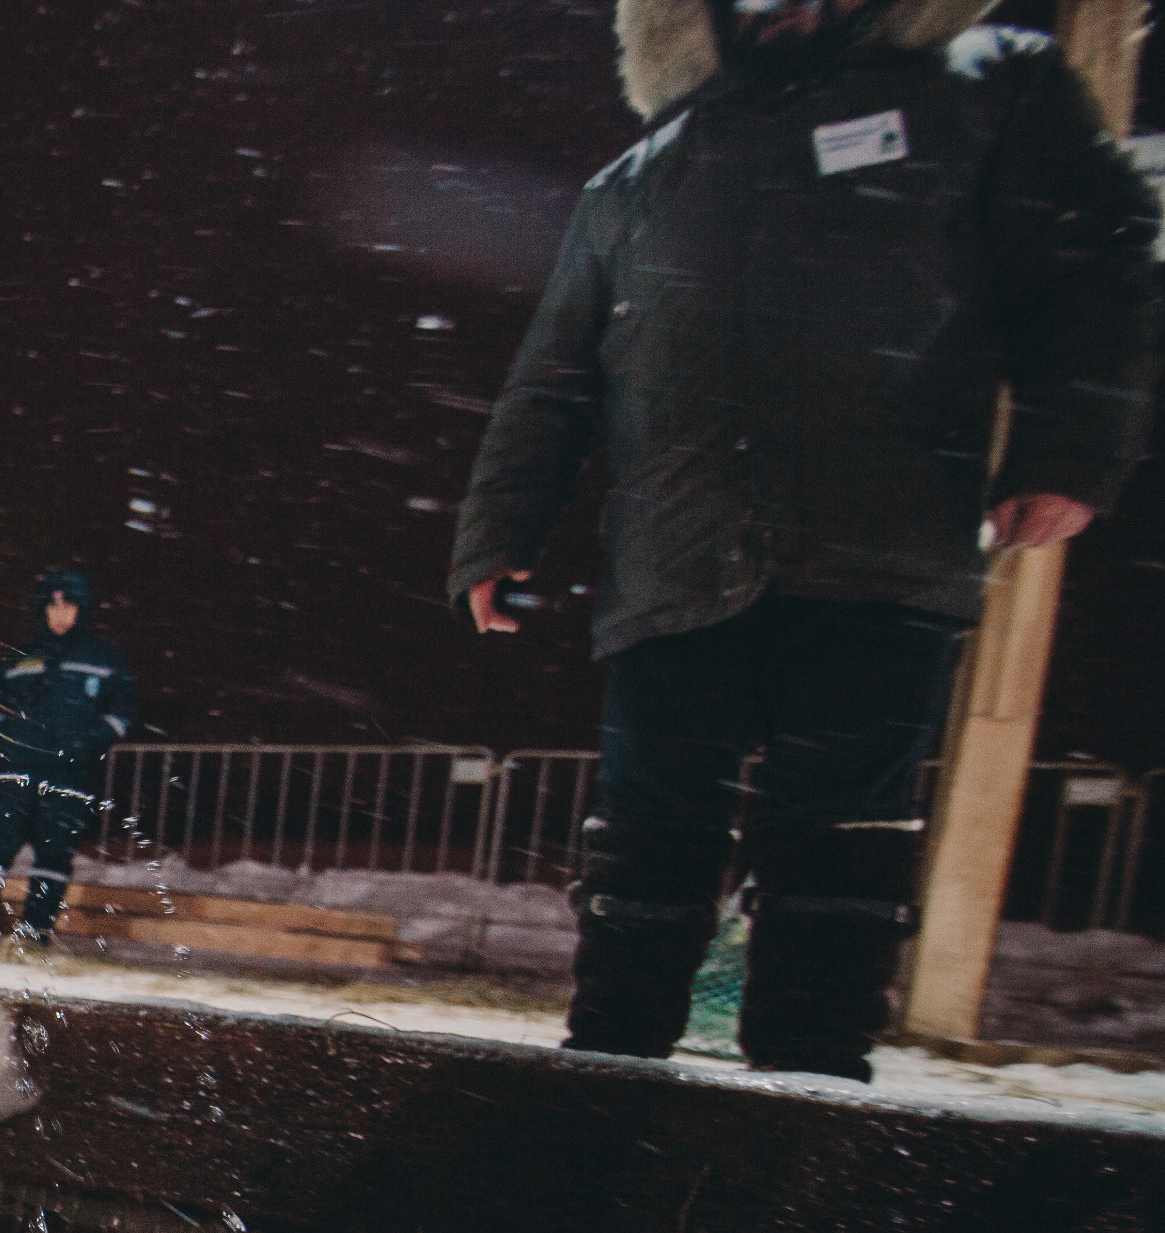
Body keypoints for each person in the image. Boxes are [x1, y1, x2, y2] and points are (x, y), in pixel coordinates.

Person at [448, 0, 1159, 1081]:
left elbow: (1098, 251)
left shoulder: (983, 90)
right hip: (677, 556)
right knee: (648, 826)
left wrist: (1073, 445)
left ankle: (811, 1081)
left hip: (879, 542)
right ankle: (607, 1068)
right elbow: (551, 379)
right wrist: (499, 529)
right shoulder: (644, 173)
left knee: (843, 830)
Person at [0, 566, 136, 944]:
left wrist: (89, 744)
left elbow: (122, 713)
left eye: (69, 607)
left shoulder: (104, 659)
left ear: (82, 611)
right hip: (15, 772)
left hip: (70, 775)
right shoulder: (19, 659)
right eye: (52, 607)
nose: (60, 614)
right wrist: (7, 739)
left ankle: (35, 935)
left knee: (54, 856)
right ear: (42, 611)